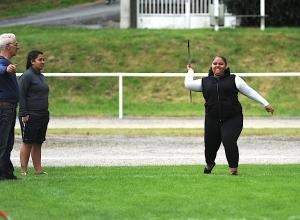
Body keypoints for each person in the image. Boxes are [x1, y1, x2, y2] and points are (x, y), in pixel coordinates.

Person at [185, 56, 274, 175]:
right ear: (211, 65)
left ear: (225, 66)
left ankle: (233, 169)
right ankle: (210, 164)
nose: (217, 66)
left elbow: (250, 91)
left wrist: (265, 103)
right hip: (212, 119)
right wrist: (190, 71)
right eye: (215, 63)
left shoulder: (234, 79)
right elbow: (188, 84)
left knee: (228, 140)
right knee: (210, 145)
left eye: (221, 64)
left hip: (233, 118)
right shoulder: (205, 82)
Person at [18, 49, 49, 176]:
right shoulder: (26, 76)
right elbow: (21, 95)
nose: (43, 62)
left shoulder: (41, 77)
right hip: (31, 115)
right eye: (40, 59)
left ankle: (38, 170)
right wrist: (24, 113)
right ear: (32, 61)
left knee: (38, 142)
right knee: (28, 142)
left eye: (43, 59)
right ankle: (23, 170)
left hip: (43, 114)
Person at [0, 33, 19, 181]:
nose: (17, 47)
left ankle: (7, 172)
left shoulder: (7, 62)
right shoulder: (2, 63)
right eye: (15, 44)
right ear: (7, 46)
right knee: (2, 142)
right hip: (4, 109)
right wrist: (6, 70)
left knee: (9, 142)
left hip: (10, 108)